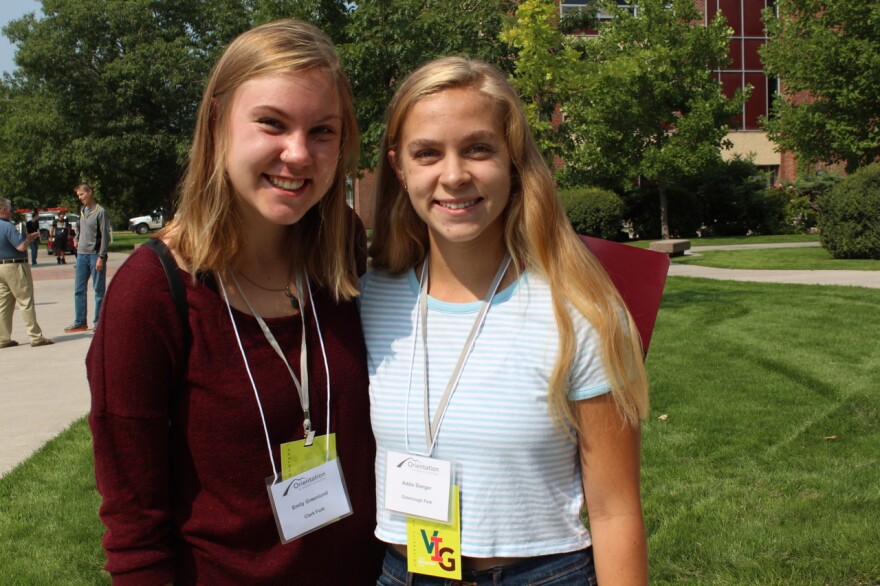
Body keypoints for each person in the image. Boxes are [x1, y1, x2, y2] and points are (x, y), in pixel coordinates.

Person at [86, 19, 383, 585]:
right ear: (218, 121)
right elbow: (133, 528)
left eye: (323, 131)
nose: (298, 154)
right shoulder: (153, 291)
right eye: (272, 123)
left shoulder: (343, 247)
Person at [360, 57, 651, 585]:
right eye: (427, 153)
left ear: (513, 161)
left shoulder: (579, 309)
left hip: (539, 573)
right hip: (402, 572)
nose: (453, 175)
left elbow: (615, 511)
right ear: (399, 168)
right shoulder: (367, 297)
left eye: (478, 148)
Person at [0, 198, 53, 348]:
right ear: (3, 210)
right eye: (9, 209)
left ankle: (2, 338)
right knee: (25, 301)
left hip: (0, 268)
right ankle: (35, 336)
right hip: (15, 266)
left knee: (3, 304)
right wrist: (28, 239)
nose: (11, 212)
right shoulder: (7, 226)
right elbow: (20, 247)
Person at [63, 183, 111, 333]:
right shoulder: (83, 210)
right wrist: (77, 238)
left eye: (82, 194)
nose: (80, 198)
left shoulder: (100, 212)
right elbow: (81, 228)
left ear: (90, 192)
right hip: (81, 255)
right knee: (79, 290)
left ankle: (99, 322)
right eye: (78, 195)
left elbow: (105, 236)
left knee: (98, 290)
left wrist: (101, 256)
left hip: (95, 254)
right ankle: (80, 321)